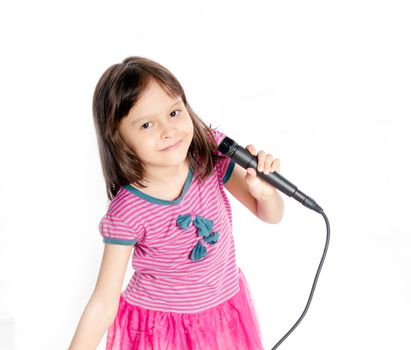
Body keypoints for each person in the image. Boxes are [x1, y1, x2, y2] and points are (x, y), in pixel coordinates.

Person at [68, 56, 284, 350]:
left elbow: (271, 215)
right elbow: (104, 302)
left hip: (223, 310)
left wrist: (265, 192)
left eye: (173, 113)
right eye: (146, 124)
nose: (168, 130)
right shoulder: (129, 209)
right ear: (119, 139)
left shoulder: (210, 162)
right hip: (161, 329)